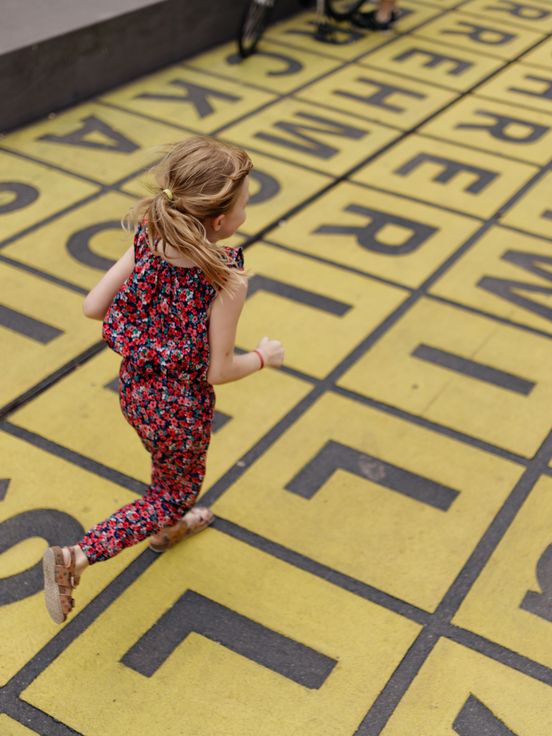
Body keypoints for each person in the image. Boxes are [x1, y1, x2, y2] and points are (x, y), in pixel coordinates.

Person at [42, 136, 284, 624]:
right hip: (183, 407)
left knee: (168, 471)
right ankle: (78, 557)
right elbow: (219, 368)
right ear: (219, 221)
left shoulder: (149, 239)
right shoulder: (226, 276)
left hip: (134, 392)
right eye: (246, 203)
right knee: (174, 490)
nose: (248, 209)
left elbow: (93, 307)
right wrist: (261, 357)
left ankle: (168, 528)